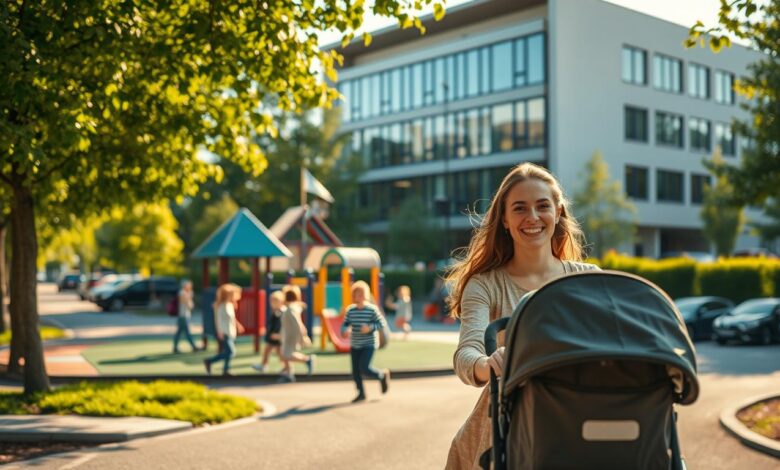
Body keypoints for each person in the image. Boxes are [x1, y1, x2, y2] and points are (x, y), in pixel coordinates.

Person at [444, 162, 599, 469]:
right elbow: (466, 354)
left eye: (542, 206)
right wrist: (487, 364)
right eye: (519, 208)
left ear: (558, 212)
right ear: (504, 219)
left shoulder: (588, 279)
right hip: (506, 426)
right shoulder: (485, 284)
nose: (532, 217)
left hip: (577, 416)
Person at [341, 280, 390, 403]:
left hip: (369, 343)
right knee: (355, 371)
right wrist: (345, 330)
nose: (356, 297)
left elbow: (381, 323)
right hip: (355, 344)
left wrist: (370, 328)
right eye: (354, 294)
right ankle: (361, 393)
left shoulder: (372, 310)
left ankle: (381, 375)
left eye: (359, 294)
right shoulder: (350, 310)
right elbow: (345, 324)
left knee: (364, 367)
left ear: (365, 295)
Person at [204, 283, 245, 376]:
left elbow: (232, 318)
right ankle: (210, 361)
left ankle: (226, 370)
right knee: (231, 352)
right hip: (225, 331)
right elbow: (218, 319)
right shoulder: (221, 306)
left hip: (231, 331)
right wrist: (220, 332)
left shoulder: (230, 305)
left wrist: (238, 325)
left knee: (227, 352)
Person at [278, 284, 315, 382]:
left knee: (286, 354)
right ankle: (288, 372)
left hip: (291, 335)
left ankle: (307, 360)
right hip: (288, 335)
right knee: (284, 353)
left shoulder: (290, 309)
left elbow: (297, 322)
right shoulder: (292, 308)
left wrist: (303, 334)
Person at [252, 290, 284, 373]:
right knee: (270, 351)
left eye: (275, 302)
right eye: (272, 302)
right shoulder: (276, 312)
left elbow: (280, 325)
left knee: (279, 353)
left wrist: (278, 334)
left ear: (281, 302)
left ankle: (285, 367)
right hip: (273, 336)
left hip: (277, 336)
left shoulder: (281, 312)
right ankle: (264, 365)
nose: (272, 304)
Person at [172, 280, 199, 353]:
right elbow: (186, 304)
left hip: (184, 315)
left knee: (180, 332)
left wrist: (189, 297)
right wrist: (189, 297)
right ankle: (193, 346)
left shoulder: (186, 293)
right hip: (183, 316)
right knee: (187, 332)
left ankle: (175, 347)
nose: (190, 287)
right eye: (188, 285)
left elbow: (191, 306)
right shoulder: (182, 293)